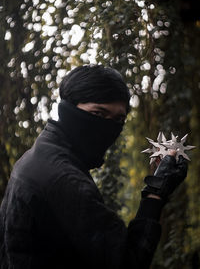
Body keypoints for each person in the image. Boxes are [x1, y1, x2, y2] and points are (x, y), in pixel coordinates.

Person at [0, 65, 187, 269]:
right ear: (68, 109)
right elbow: (128, 262)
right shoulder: (64, 178)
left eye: (118, 120)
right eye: (98, 113)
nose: (107, 128)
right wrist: (156, 193)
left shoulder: (39, 156)